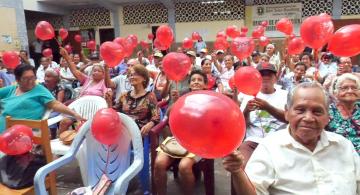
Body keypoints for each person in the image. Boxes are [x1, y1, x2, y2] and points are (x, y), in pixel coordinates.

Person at [223, 82, 360, 195]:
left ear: (327, 117)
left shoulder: (344, 146)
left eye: (317, 111)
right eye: (300, 110)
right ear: (287, 113)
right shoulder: (270, 148)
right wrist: (237, 171)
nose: (308, 118)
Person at [154, 69, 208, 195]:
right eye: (193, 80)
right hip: (179, 139)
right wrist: (177, 103)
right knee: (159, 163)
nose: (196, 82)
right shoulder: (183, 97)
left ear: (205, 84)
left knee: (184, 167)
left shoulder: (210, 100)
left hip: (200, 142)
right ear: (189, 84)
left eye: (199, 80)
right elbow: (167, 117)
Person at [0, 64, 83, 132]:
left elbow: (55, 104)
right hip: (4, 128)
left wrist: (74, 114)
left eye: (32, 77)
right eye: (26, 78)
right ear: (18, 80)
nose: (30, 81)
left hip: (21, 133)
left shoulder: (39, 90)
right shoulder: (12, 89)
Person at [238, 62, 287, 166]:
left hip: (279, 141)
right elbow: (242, 125)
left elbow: (289, 118)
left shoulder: (285, 95)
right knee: (240, 167)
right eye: (261, 75)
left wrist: (268, 107)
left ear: (275, 77)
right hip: (253, 142)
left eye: (269, 74)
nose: (265, 77)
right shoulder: (248, 95)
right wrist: (246, 110)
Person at [58, 47, 109, 133]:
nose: (95, 72)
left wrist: (108, 95)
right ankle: (61, 141)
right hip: (79, 108)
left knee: (82, 128)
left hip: (93, 112)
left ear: (103, 74)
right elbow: (74, 71)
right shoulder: (87, 80)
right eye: (94, 71)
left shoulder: (104, 83)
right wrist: (66, 57)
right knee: (64, 122)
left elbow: (107, 96)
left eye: (98, 71)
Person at [110, 64, 160, 136]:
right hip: (123, 130)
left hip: (139, 133)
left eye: (135, 74)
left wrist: (150, 124)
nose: (131, 77)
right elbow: (114, 111)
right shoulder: (124, 95)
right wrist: (108, 101)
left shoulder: (150, 96)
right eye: (130, 75)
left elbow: (156, 116)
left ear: (144, 78)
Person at [327, 73, 360, 154]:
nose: (350, 91)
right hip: (336, 157)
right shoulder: (327, 111)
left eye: (354, 88)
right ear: (335, 93)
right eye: (345, 88)